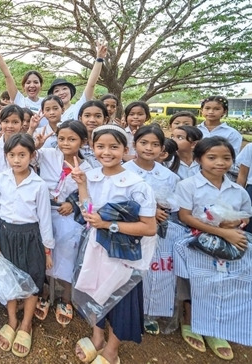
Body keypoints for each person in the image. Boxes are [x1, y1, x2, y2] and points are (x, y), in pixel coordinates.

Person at [71, 125, 157, 364]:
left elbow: (149, 227)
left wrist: (108, 225)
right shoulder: (92, 176)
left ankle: (111, 350)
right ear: (92, 147)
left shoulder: (136, 184)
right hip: (97, 249)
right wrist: (81, 185)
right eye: (100, 146)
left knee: (120, 298)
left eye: (113, 147)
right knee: (95, 292)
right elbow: (89, 211)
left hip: (124, 255)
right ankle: (97, 337)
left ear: (125, 149)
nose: (106, 152)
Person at [174, 136, 252, 360]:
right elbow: (185, 216)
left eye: (226, 158)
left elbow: (245, 215)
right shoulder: (188, 185)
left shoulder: (237, 190)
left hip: (227, 244)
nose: (220, 163)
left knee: (222, 283)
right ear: (199, 159)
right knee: (194, 282)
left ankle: (215, 327)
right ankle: (189, 321)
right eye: (212, 157)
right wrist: (220, 230)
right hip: (196, 243)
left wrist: (236, 223)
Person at [0, 133, 54, 358]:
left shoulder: (39, 185)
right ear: (6, 156)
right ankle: (12, 320)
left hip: (30, 236)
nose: (16, 160)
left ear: (32, 156)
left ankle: (26, 324)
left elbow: (45, 219)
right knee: (9, 277)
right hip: (6, 235)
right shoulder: (1, 178)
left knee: (33, 277)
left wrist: (47, 249)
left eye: (22, 155)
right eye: (12, 155)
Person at [34, 120, 93, 326]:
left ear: (83, 141)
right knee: (44, 255)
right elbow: (26, 156)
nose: (65, 143)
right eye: (61, 138)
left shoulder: (88, 168)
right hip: (45, 213)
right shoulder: (49, 155)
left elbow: (90, 199)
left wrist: (73, 204)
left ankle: (65, 298)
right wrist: (36, 143)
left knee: (67, 257)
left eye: (72, 139)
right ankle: (43, 293)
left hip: (69, 218)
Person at [123, 125, 181, 335]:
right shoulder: (124, 171)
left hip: (158, 231)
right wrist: (149, 210)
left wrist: (161, 209)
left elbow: (174, 204)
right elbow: (118, 202)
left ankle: (149, 312)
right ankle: (127, 311)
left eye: (155, 144)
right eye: (144, 143)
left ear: (162, 149)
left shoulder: (169, 176)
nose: (149, 148)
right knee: (128, 271)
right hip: (129, 230)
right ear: (134, 144)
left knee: (152, 271)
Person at [47, 41, 106, 121]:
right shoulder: (48, 115)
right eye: (57, 91)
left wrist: (99, 59)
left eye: (64, 89)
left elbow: (91, 85)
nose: (61, 93)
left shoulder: (78, 107)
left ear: (71, 91)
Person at [0, 35, 44, 114]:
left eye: (36, 82)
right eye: (28, 82)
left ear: (41, 85)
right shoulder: (19, 100)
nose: (32, 85)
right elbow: (7, 75)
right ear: (23, 86)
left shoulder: (46, 102)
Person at [0, 104, 24, 183]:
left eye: (15, 122)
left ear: (22, 124)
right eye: (6, 121)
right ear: (0, 123)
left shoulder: (26, 147)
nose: (10, 126)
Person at [78, 100, 109, 168]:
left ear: (105, 120)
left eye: (98, 116)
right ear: (80, 119)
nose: (92, 120)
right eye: (87, 116)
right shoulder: (76, 143)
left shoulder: (110, 143)